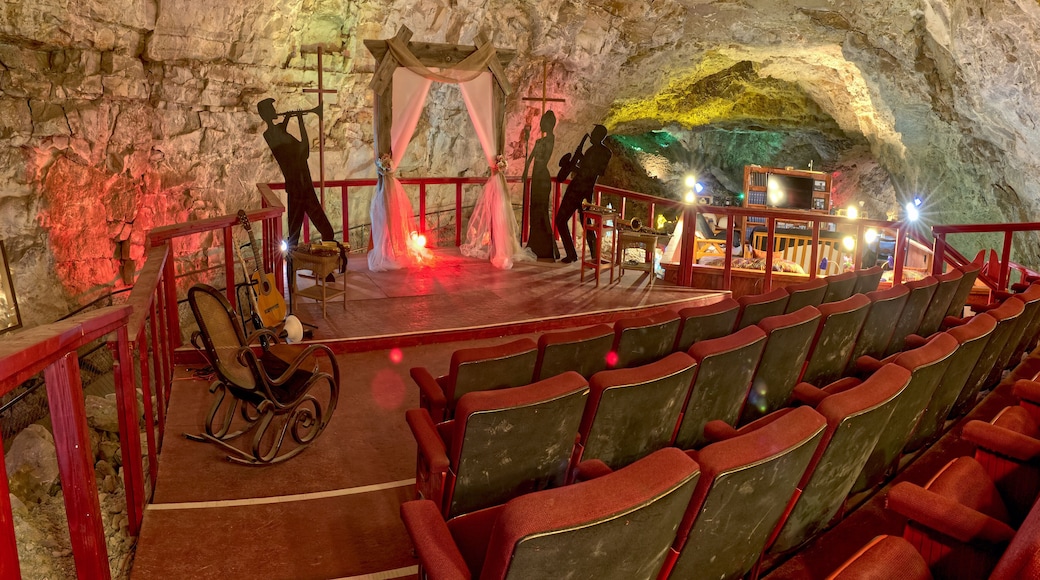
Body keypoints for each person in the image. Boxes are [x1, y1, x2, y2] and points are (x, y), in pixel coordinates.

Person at [258, 98, 336, 248]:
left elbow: (282, 130)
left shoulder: (274, 133)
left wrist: (288, 117)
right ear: (267, 113)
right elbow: (304, 149)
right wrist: (300, 121)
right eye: (272, 109)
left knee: (294, 234)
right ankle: (325, 262)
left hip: (296, 186)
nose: (275, 111)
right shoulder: (273, 134)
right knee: (326, 231)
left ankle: (296, 266)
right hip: (302, 187)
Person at [554, 124, 611, 263]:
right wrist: (580, 159)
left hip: (578, 189)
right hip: (585, 190)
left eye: (594, 132)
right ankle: (594, 256)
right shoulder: (604, 152)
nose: (591, 134)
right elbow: (590, 169)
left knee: (561, 220)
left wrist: (573, 165)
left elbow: (589, 171)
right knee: (587, 223)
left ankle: (572, 254)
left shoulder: (598, 151)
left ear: (599, 135)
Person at [522, 111, 560, 260]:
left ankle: (547, 246)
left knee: (542, 209)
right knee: (535, 209)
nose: (542, 125)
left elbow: (542, 157)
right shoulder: (539, 142)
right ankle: (536, 243)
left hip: (542, 176)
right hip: (536, 176)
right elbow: (531, 158)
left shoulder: (549, 140)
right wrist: (525, 172)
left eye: (545, 122)